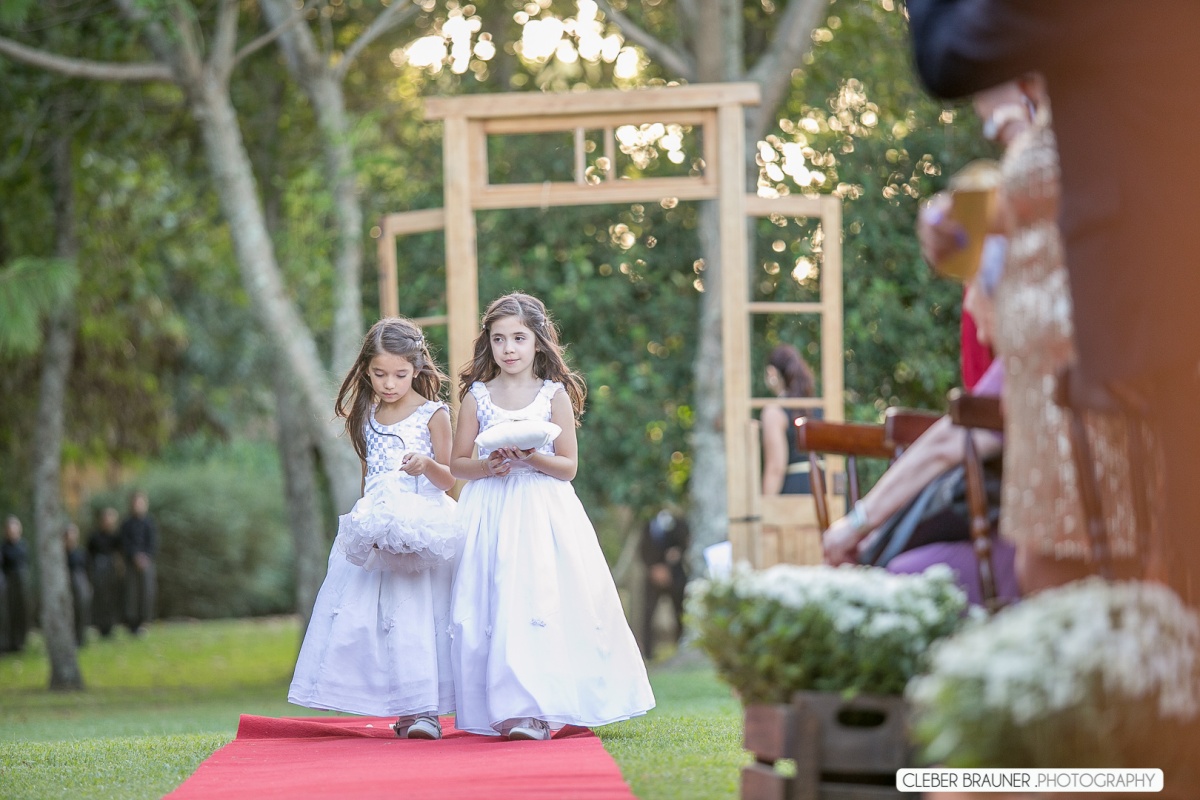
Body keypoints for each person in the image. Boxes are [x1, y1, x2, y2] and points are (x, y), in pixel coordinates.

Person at [906, 0, 1200, 606]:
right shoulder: (1078, 91)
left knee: (1105, 567)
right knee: (1053, 568)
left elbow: (947, 53)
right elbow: (1075, 198)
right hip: (1053, 372)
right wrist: (955, 223)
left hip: (1108, 351)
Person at [919, 78, 1143, 593]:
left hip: (1106, 376)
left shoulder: (1111, 96)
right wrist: (953, 217)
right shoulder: (1049, 118)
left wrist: (1008, 119)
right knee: (1047, 569)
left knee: (1089, 571)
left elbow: (1068, 186)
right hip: (1042, 390)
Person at [449, 292, 655, 740]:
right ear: (489, 343)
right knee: (498, 600)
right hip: (491, 509)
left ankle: (540, 708)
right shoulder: (477, 398)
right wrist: (490, 466)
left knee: (539, 598)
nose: (509, 349)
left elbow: (568, 467)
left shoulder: (553, 396)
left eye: (519, 338)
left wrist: (530, 457)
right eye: (499, 339)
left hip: (542, 509)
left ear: (538, 342)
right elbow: (457, 463)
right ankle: (504, 708)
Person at [289, 317, 459, 741]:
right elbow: (372, 476)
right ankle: (402, 705)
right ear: (366, 369)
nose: (389, 383)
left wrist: (427, 465)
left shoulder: (433, 414)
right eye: (379, 374)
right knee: (384, 617)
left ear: (417, 367)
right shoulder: (367, 414)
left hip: (422, 524)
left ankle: (427, 710)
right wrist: (370, 522)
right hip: (380, 527)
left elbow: (451, 478)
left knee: (422, 614)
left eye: (400, 374)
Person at [760, 343, 818, 495]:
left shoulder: (774, 412)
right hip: (825, 488)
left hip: (796, 492)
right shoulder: (820, 407)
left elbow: (776, 468)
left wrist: (765, 509)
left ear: (771, 372)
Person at [639, 507, 690, 660]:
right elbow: (642, 549)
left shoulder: (679, 523)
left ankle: (681, 647)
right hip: (653, 577)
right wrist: (654, 569)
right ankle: (647, 653)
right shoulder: (646, 525)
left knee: (680, 612)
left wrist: (670, 567)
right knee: (647, 614)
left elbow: (683, 544)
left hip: (675, 576)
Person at [119, 490, 158, 635]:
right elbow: (124, 543)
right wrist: (134, 556)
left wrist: (145, 557)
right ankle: (132, 624)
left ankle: (144, 622)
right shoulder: (126, 524)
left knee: (146, 592)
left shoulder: (149, 523)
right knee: (132, 594)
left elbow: (153, 543)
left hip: (146, 563)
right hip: (131, 563)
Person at [87, 506, 123, 638]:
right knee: (100, 598)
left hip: (111, 570)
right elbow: (89, 556)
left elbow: (119, 554)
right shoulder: (94, 537)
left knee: (111, 598)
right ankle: (100, 626)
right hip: (99, 569)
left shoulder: (115, 536)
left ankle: (110, 626)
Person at [2, 515, 32, 652]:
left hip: (22, 583)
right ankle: (8, 642)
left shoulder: (23, 546)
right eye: (10, 529)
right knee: (8, 612)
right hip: (9, 584)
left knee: (22, 611)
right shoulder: (3, 548)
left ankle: (21, 642)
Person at [64, 523, 91, 647]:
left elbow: (86, 569)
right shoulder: (62, 555)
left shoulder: (81, 552)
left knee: (81, 609)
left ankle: (81, 638)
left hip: (80, 583)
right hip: (67, 584)